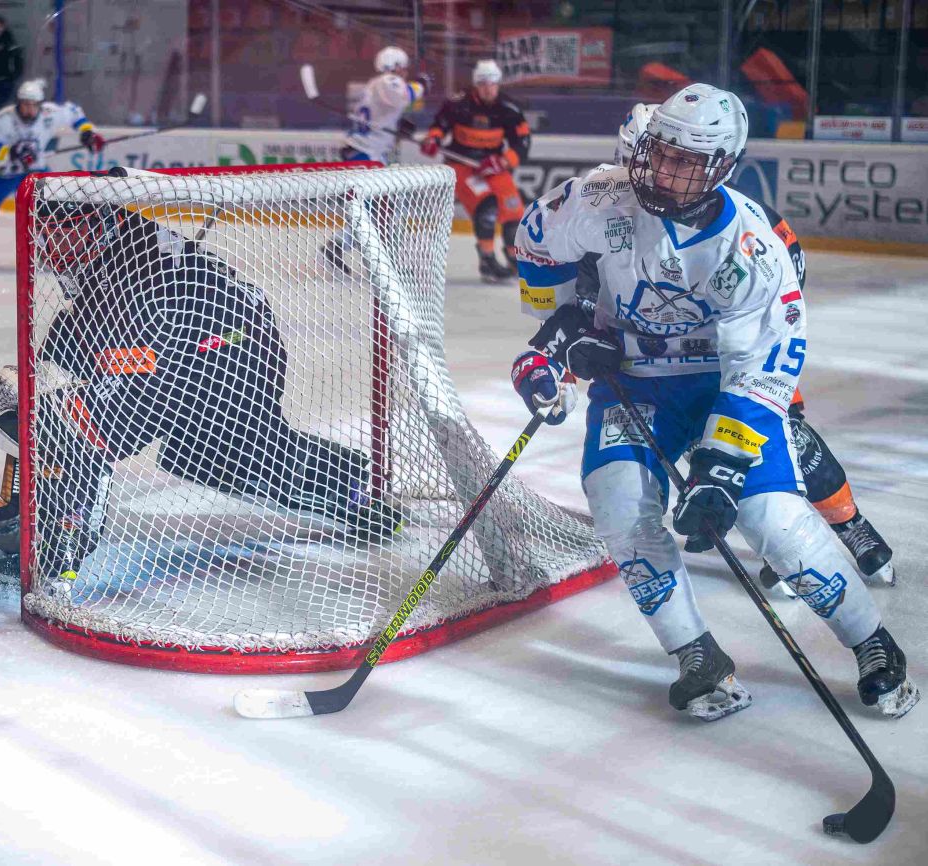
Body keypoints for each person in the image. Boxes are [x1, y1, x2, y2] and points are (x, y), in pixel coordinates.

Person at [509, 83, 917, 721]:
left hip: (720, 384)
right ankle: (696, 653)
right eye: (660, 152)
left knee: (770, 521)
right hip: (634, 382)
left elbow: (762, 368)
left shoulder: (752, 246)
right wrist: (565, 326)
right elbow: (537, 245)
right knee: (619, 505)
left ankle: (872, 640)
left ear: (722, 166)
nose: (664, 170)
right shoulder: (598, 197)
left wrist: (721, 467)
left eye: (686, 161)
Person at [0, 177, 406, 584]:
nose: (51, 245)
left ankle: (62, 543)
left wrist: (60, 404)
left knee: (72, 423)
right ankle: (352, 488)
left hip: (226, 350)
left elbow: (113, 392)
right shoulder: (109, 250)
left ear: (97, 224)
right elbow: (88, 331)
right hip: (199, 341)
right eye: (46, 232)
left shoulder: (135, 275)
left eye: (64, 231)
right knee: (201, 456)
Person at [610, 103, 895, 589]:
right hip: (665, 371)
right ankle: (778, 538)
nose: (658, 174)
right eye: (652, 158)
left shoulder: (752, 224)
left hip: (736, 357)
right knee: (707, 454)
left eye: (675, 161)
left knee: (786, 439)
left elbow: (778, 308)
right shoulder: (612, 218)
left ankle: (853, 527)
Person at [0, 80, 105, 263]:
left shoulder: (49, 114)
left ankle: (50, 254)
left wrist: (87, 132)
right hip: (2, 174)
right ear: (18, 103)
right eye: (25, 104)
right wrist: (11, 152)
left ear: (40, 104)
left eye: (33, 105)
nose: (29, 109)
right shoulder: (4, 119)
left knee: (46, 211)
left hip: (34, 172)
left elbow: (74, 113)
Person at [321, 45, 428, 274]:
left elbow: (382, 117)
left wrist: (397, 127)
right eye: (403, 68)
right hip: (365, 156)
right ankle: (379, 263)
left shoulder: (373, 86)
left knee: (376, 211)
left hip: (364, 154)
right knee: (381, 211)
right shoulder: (387, 81)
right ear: (396, 66)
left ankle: (340, 244)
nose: (405, 72)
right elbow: (403, 96)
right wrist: (422, 84)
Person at [422, 59, 530, 283]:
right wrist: (433, 139)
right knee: (487, 206)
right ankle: (487, 260)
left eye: (492, 84)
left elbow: (523, 143)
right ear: (475, 85)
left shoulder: (510, 109)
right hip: (462, 166)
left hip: (494, 166)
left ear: (498, 84)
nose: (488, 89)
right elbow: (439, 126)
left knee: (514, 211)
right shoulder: (457, 104)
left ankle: (515, 258)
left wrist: (504, 162)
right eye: (483, 84)